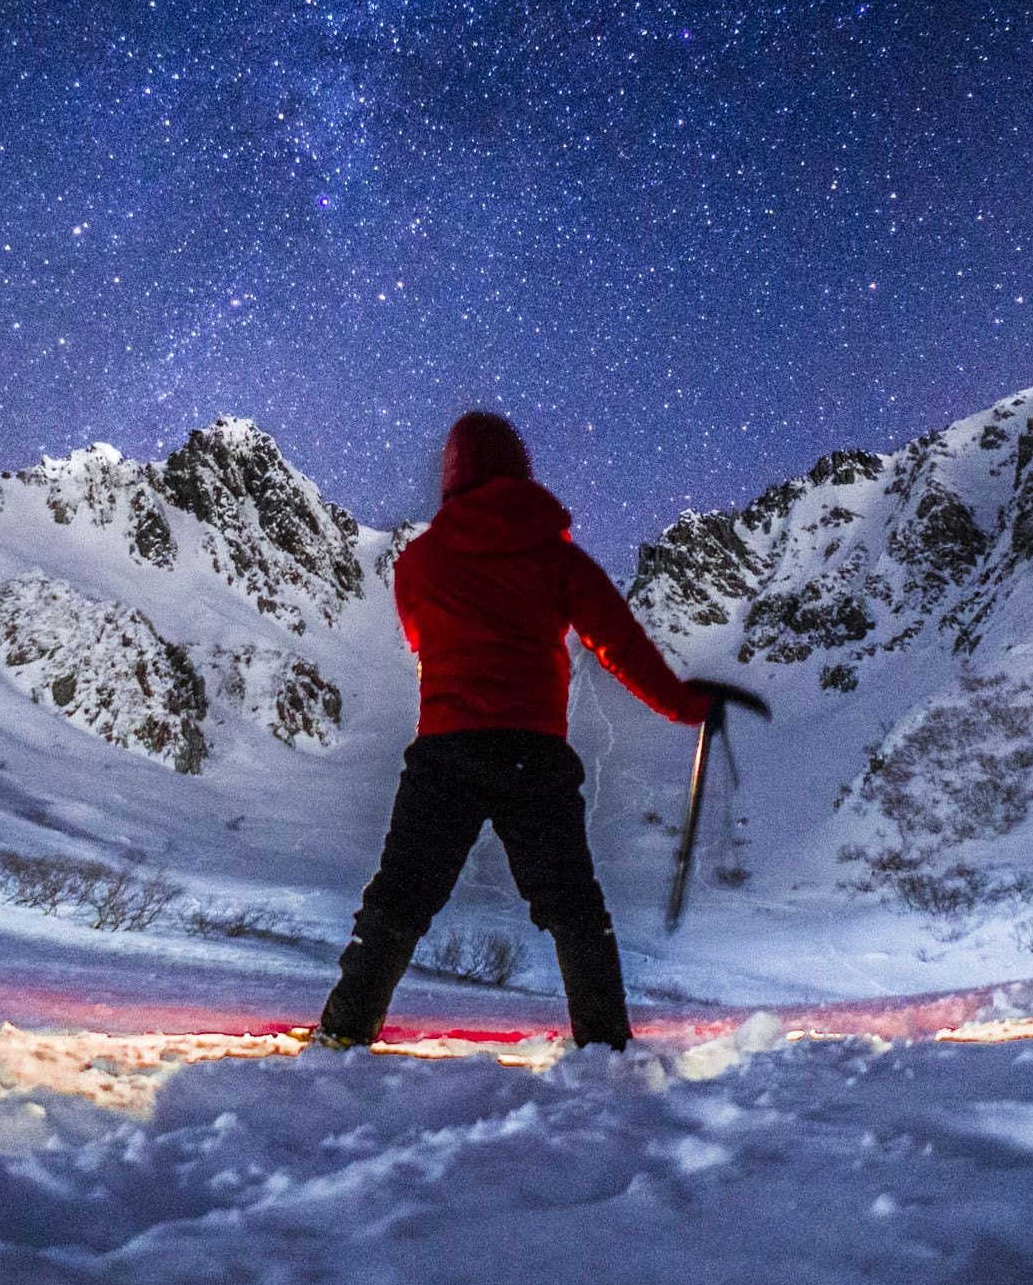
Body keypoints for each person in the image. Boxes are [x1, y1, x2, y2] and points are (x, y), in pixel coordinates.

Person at [313, 409, 749, 1052]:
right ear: (521, 470)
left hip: (446, 751)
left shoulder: (419, 563)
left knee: (400, 899)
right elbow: (622, 647)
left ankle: (343, 1035)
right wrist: (688, 706)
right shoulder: (557, 559)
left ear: (451, 474)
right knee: (572, 908)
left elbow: (419, 638)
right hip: (533, 754)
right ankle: (604, 1046)